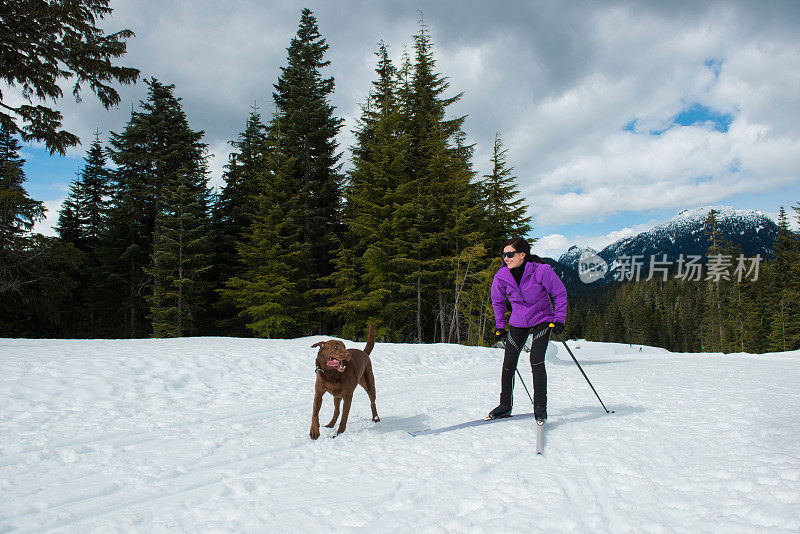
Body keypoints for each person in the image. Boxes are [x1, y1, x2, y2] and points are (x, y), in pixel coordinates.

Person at [489, 236, 568, 422]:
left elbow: (559, 292)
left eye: (510, 254)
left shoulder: (541, 271)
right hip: (518, 320)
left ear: (523, 254)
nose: (506, 258)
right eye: (503, 255)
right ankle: (505, 405)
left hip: (543, 318)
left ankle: (540, 407)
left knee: (536, 359)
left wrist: (559, 319)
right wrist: (500, 326)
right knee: (509, 361)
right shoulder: (501, 276)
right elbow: (498, 301)